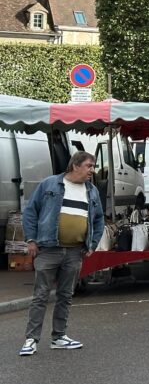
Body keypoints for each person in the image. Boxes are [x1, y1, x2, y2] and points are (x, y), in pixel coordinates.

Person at [19, 151, 104, 356]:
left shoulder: (92, 191)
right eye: (89, 166)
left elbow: (99, 219)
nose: (92, 170)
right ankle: (31, 339)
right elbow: (31, 211)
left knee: (66, 295)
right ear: (75, 166)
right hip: (49, 249)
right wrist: (31, 239)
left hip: (75, 252)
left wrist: (92, 243)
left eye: (93, 166)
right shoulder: (50, 184)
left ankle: (59, 337)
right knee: (40, 295)